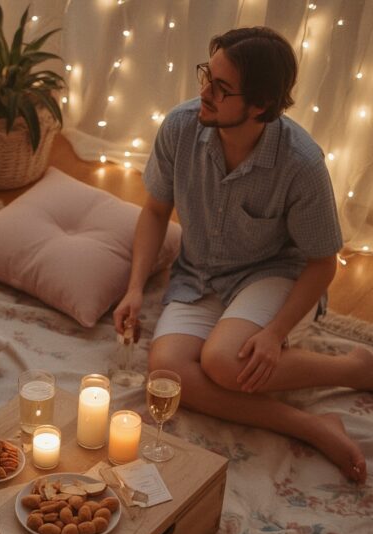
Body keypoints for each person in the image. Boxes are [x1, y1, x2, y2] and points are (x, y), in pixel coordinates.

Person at [114, 25, 372, 483]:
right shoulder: (179, 126)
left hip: (276, 274)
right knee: (166, 374)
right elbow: (155, 211)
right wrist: (135, 289)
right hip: (199, 274)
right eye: (205, 76)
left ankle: (352, 369)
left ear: (260, 106)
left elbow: (321, 263)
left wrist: (274, 333)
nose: (204, 93)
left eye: (221, 88)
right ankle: (310, 425)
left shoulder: (302, 164)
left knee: (223, 362)